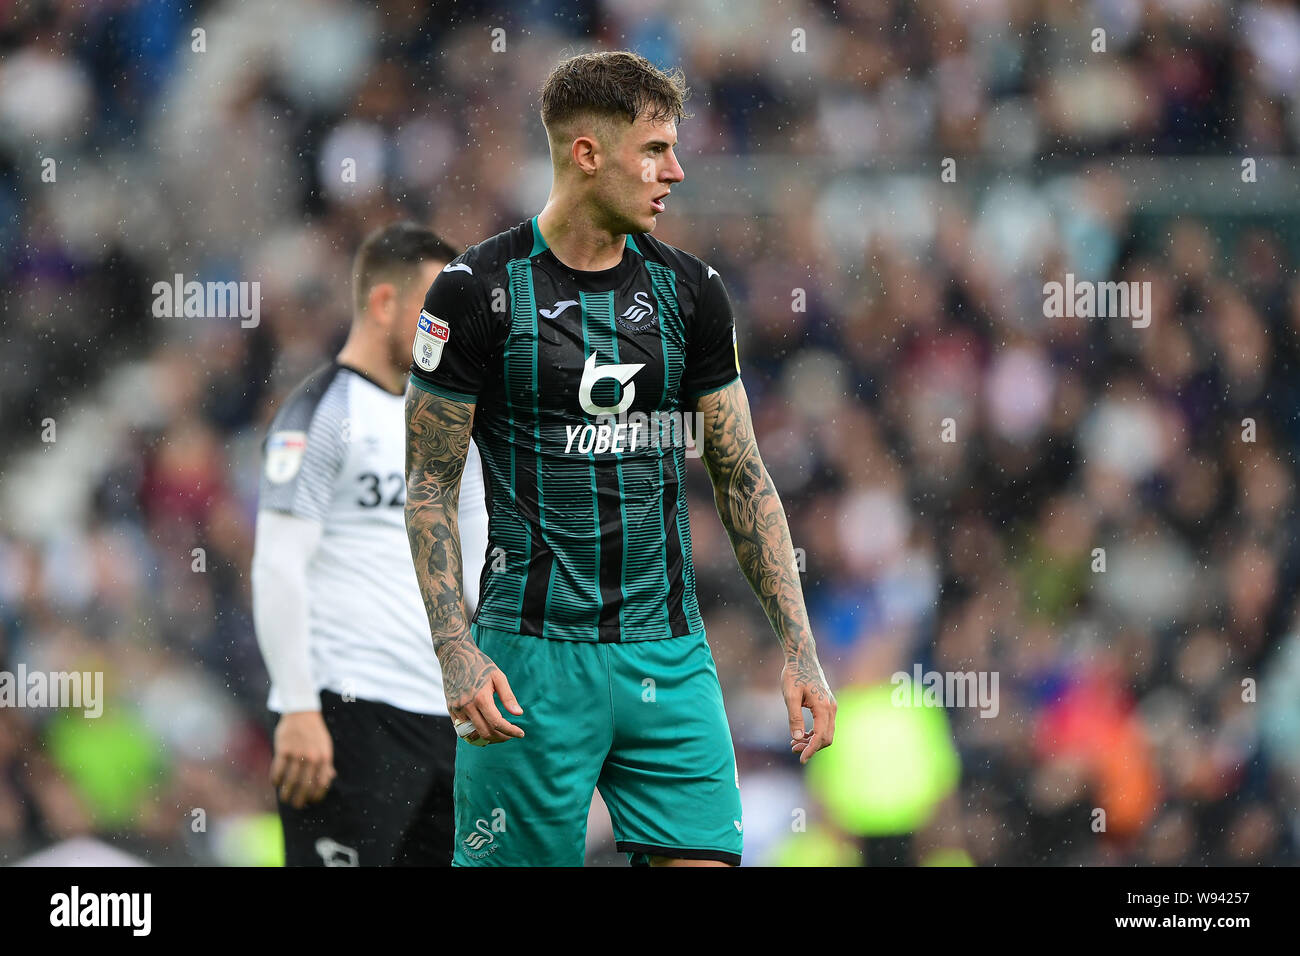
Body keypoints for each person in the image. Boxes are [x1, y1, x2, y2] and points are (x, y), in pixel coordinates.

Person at [404, 51, 835, 867]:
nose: (675, 171)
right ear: (587, 154)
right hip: (529, 659)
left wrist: (800, 648)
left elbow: (742, 475)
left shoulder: (691, 292)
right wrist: (456, 652)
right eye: (655, 150)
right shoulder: (477, 292)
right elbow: (429, 487)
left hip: (667, 651)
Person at [252, 222, 487, 866]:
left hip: (446, 720)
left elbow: (479, 571)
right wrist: (298, 707)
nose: (449, 330)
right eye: (435, 311)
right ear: (384, 304)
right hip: (347, 713)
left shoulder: (448, 422)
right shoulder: (320, 412)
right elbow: (277, 564)